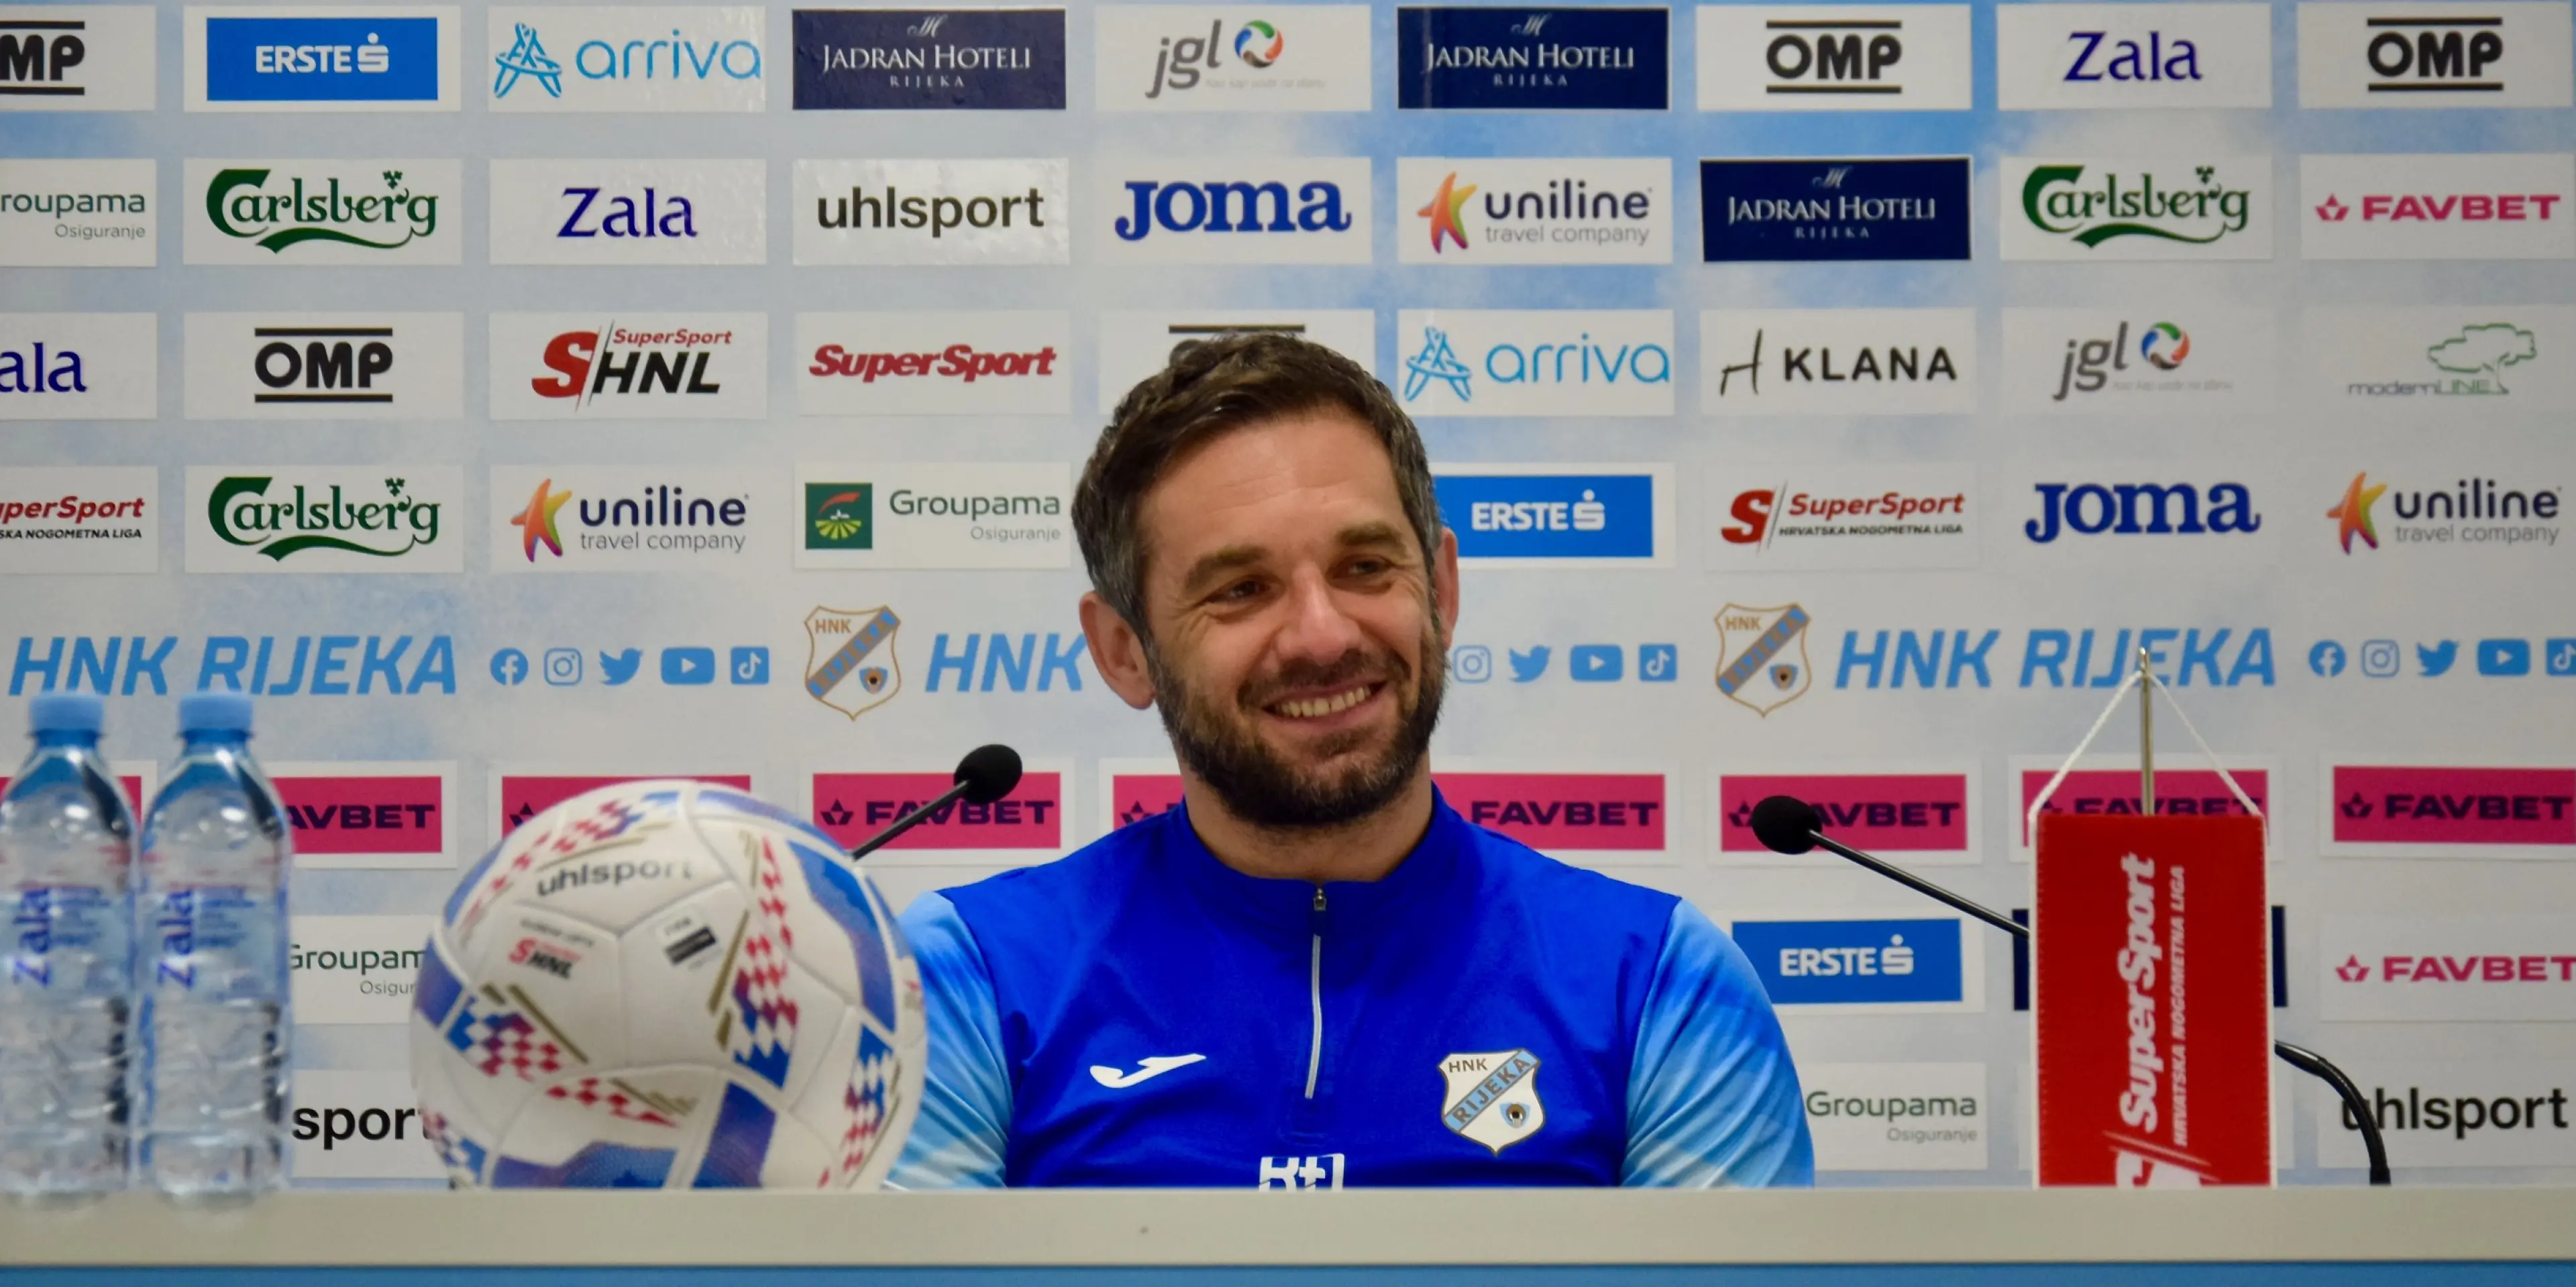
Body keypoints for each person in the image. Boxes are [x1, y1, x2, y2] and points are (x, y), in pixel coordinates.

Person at [889, 332, 1811, 1188]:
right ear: (1125, 651)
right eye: (1242, 589)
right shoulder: (960, 982)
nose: (1323, 635)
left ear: (1441, 589)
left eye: (1366, 567)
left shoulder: (1658, 985)